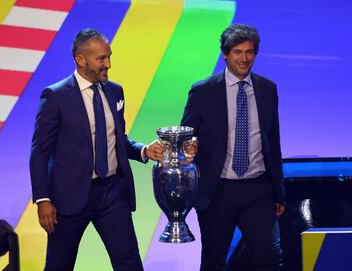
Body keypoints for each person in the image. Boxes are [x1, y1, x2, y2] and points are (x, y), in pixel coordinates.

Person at [29, 28, 165, 271]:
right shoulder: (55, 96)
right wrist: (43, 199)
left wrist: (143, 150)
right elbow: (39, 152)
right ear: (81, 60)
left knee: (129, 264)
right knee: (59, 266)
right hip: (68, 198)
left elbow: (116, 139)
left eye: (109, 56)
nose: (108, 64)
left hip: (112, 193)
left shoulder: (114, 91)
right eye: (101, 58)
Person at [181, 24, 285, 270]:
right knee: (213, 262)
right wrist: (189, 148)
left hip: (258, 189)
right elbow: (185, 136)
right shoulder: (203, 91)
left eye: (250, 52)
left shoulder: (267, 89)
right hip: (218, 191)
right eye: (237, 52)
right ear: (225, 54)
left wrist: (278, 192)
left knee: (270, 261)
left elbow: (273, 142)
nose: (244, 58)